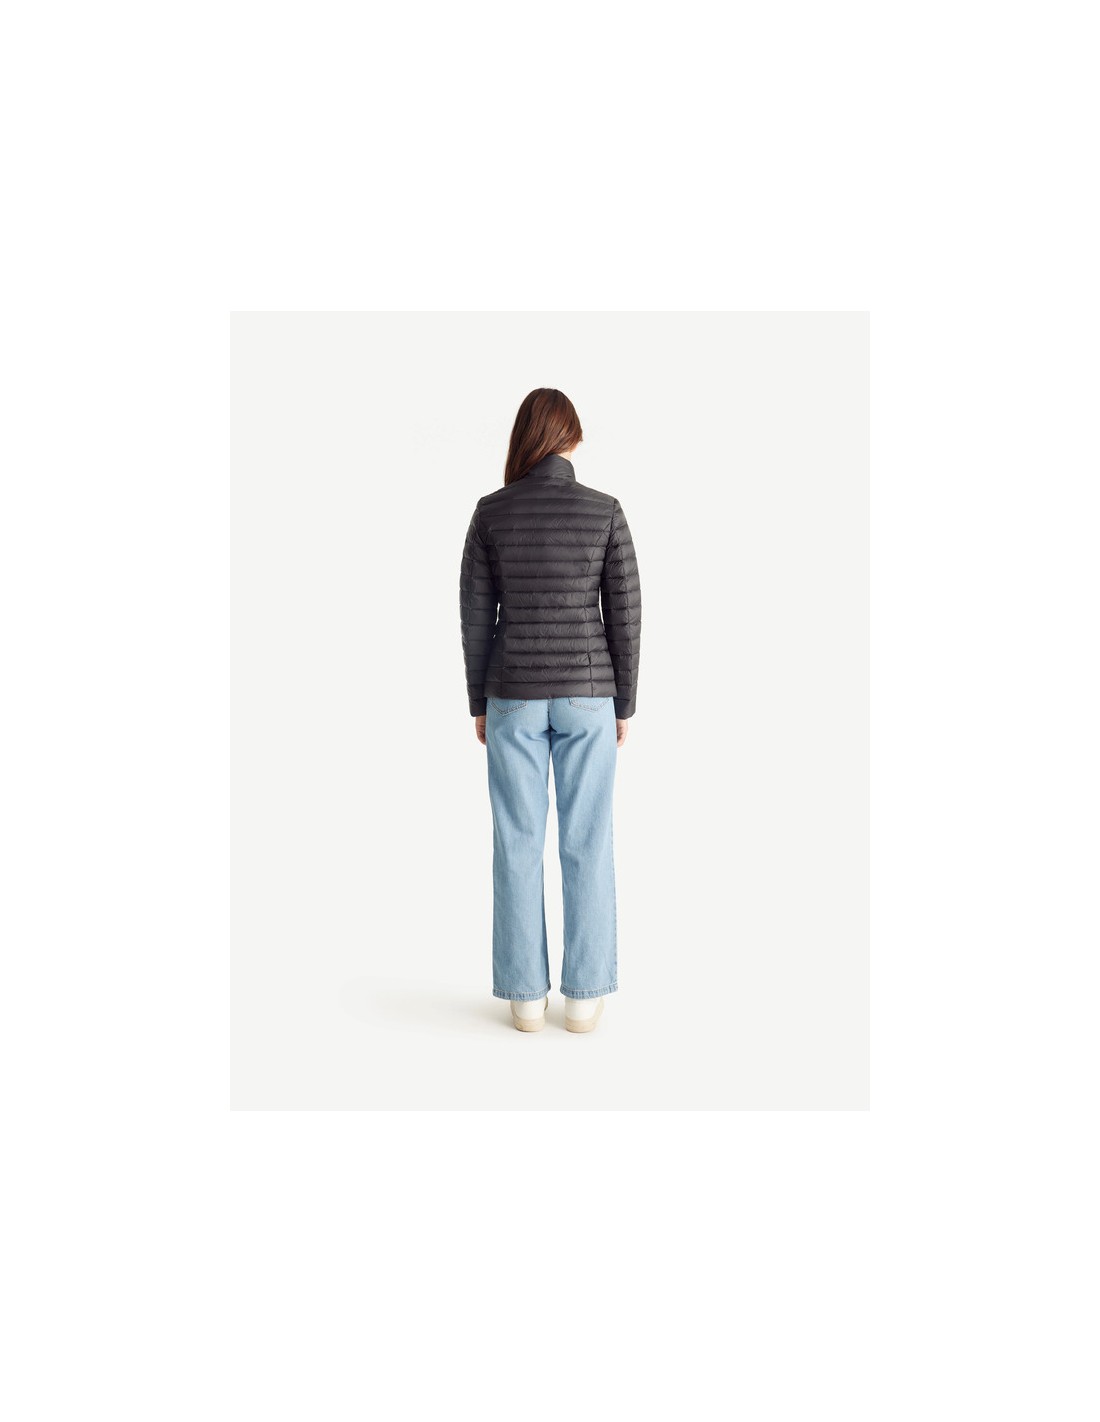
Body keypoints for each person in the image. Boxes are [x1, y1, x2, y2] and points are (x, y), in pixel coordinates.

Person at [459, 388, 641, 1034]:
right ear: (570, 438)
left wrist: (478, 700)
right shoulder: (604, 511)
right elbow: (625, 612)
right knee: (587, 840)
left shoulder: (491, 513)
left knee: (517, 842)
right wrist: (624, 702)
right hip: (589, 695)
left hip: (512, 692)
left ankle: (525, 1001)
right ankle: (584, 999)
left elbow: (475, 615)